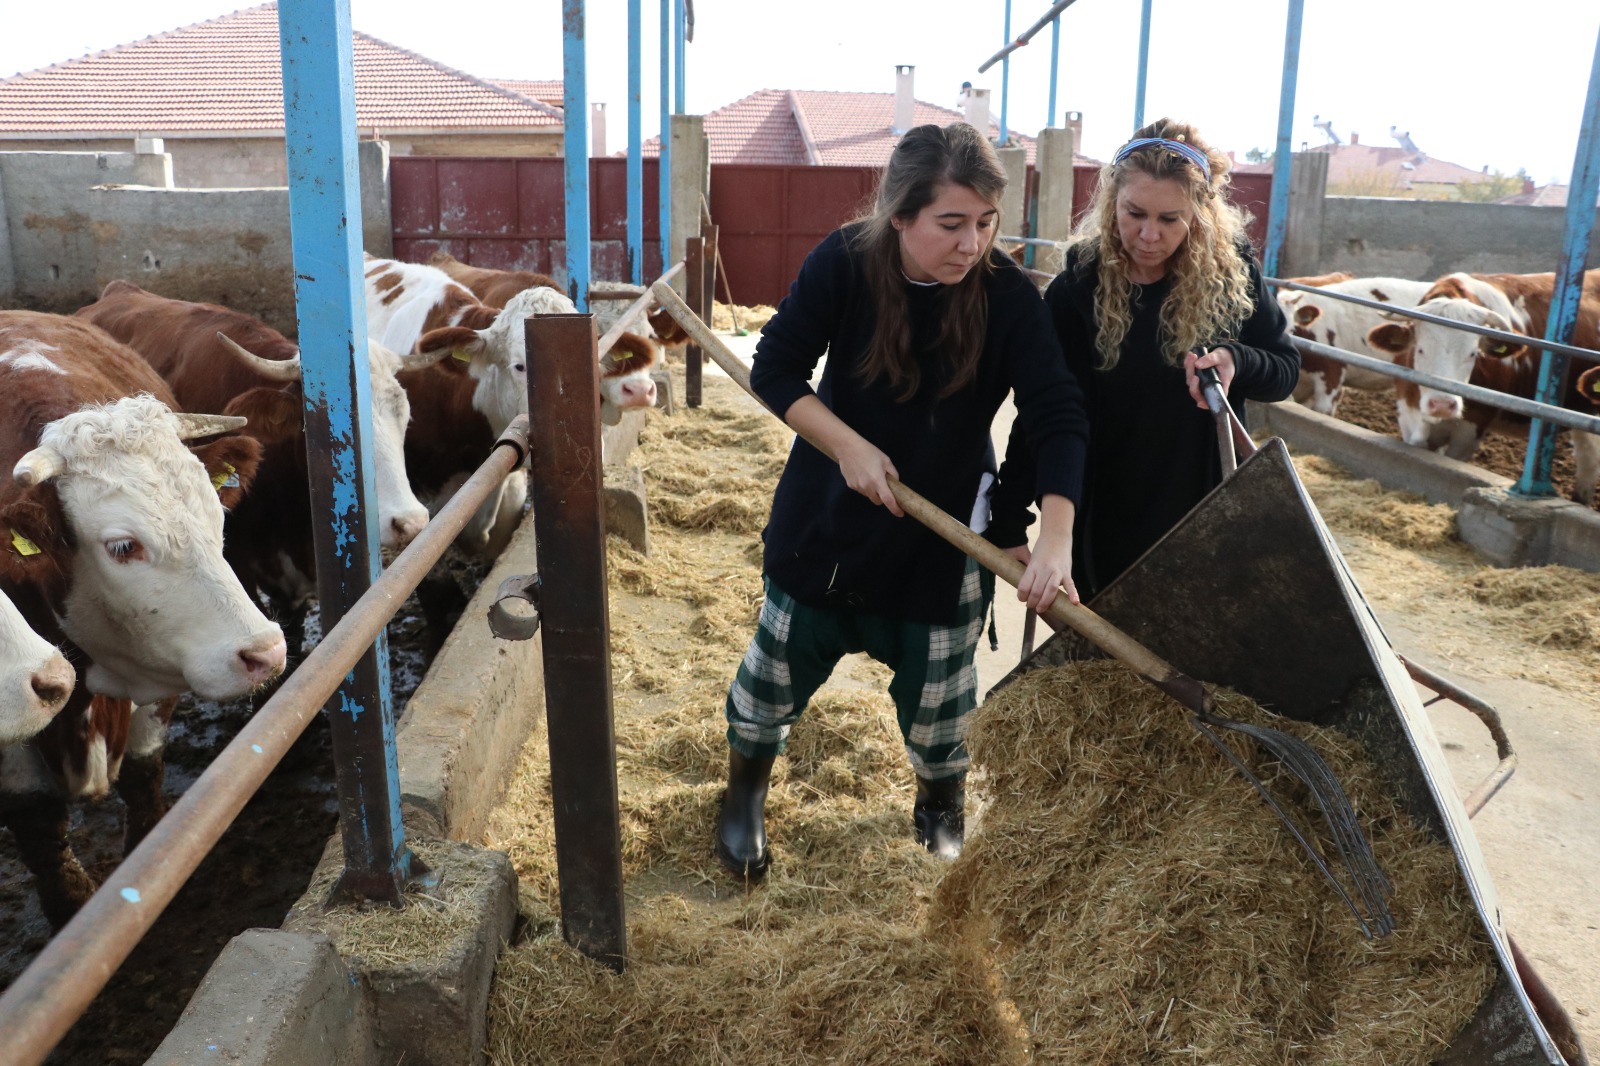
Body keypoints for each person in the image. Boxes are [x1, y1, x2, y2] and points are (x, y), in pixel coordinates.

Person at [716, 122, 1090, 881]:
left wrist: (1053, 535)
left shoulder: (1007, 295)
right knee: (774, 674)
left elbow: (1056, 411)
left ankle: (939, 804)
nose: (971, 244)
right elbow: (776, 366)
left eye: (986, 223)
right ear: (900, 215)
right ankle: (745, 793)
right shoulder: (846, 263)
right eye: (951, 224)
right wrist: (847, 445)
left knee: (942, 700)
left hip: (944, 533)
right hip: (827, 520)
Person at [997, 117, 1298, 602]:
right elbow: (1044, 410)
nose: (1149, 235)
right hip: (1102, 506)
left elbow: (1284, 371)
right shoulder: (1078, 287)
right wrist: (1009, 516)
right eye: (1135, 213)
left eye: (1169, 219)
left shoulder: (1232, 276)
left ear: (1198, 215)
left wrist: (1235, 360)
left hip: (1200, 508)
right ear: (1111, 200)